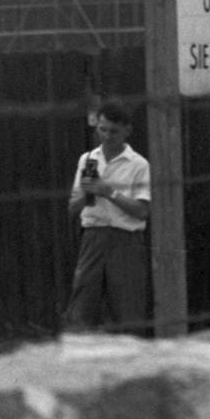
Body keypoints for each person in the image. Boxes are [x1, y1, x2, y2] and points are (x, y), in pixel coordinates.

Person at [64, 99, 151, 335]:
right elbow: (73, 208)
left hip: (125, 241)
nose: (107, 136)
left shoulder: (139, 164)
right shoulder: (87, 160)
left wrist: (108, 192)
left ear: (127, 131)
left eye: (113, 131)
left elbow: (142, 210)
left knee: (127, 311)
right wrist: (87, 193)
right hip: (93, 237)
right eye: (102, 129)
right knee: (82, 307)